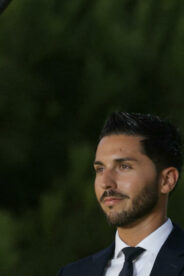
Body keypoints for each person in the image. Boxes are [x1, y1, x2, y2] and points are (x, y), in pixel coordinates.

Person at [59, 112, 184, 276]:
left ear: (167, 180)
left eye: (124, 166)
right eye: (100, 169)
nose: (106, 182)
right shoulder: (72, 273)